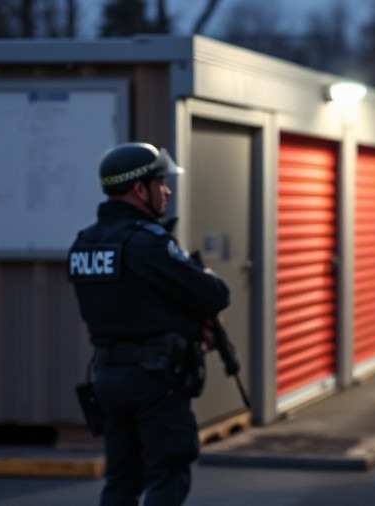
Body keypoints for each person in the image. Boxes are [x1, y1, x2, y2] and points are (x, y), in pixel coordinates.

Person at [68, 142, 230, 505]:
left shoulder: (84, 244)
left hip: (108, 377)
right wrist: (206, 277)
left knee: (121, 482)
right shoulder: (147, 244)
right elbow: (213, 294)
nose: (168, 190)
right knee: (167, 476)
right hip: (155, 380)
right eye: (161, 182)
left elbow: (128, 305)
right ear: (140, 189)